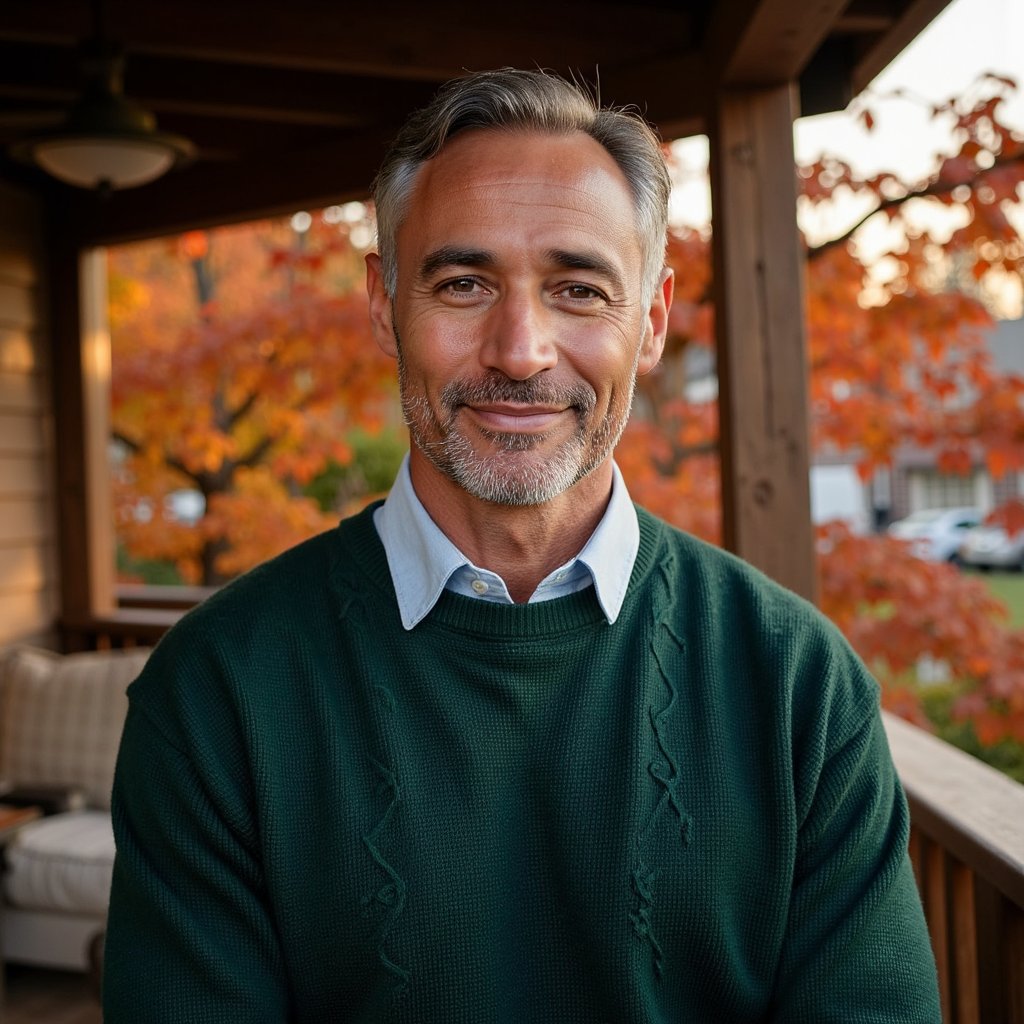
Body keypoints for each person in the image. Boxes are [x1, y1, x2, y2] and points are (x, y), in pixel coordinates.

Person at [103, 68, 941, 1022]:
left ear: (652, 321)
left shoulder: (797, 686)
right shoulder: (217, 693)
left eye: (579, 289)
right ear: (383, 304)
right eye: (463, 283)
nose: (520, 348)